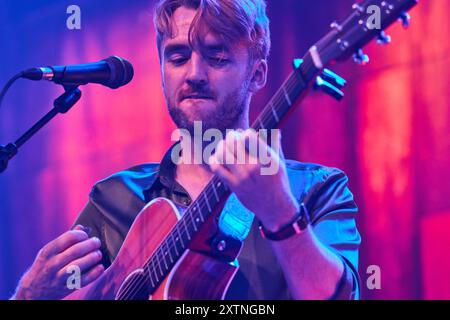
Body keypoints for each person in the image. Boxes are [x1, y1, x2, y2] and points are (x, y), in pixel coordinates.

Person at [12, 0, 360, 300]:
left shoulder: (317, 190)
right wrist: (29, 294)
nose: (194, 73)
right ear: (163, 74)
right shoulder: (112, 199)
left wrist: (282, 213)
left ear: (257, 74)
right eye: (178, 57)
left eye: (217, 56)